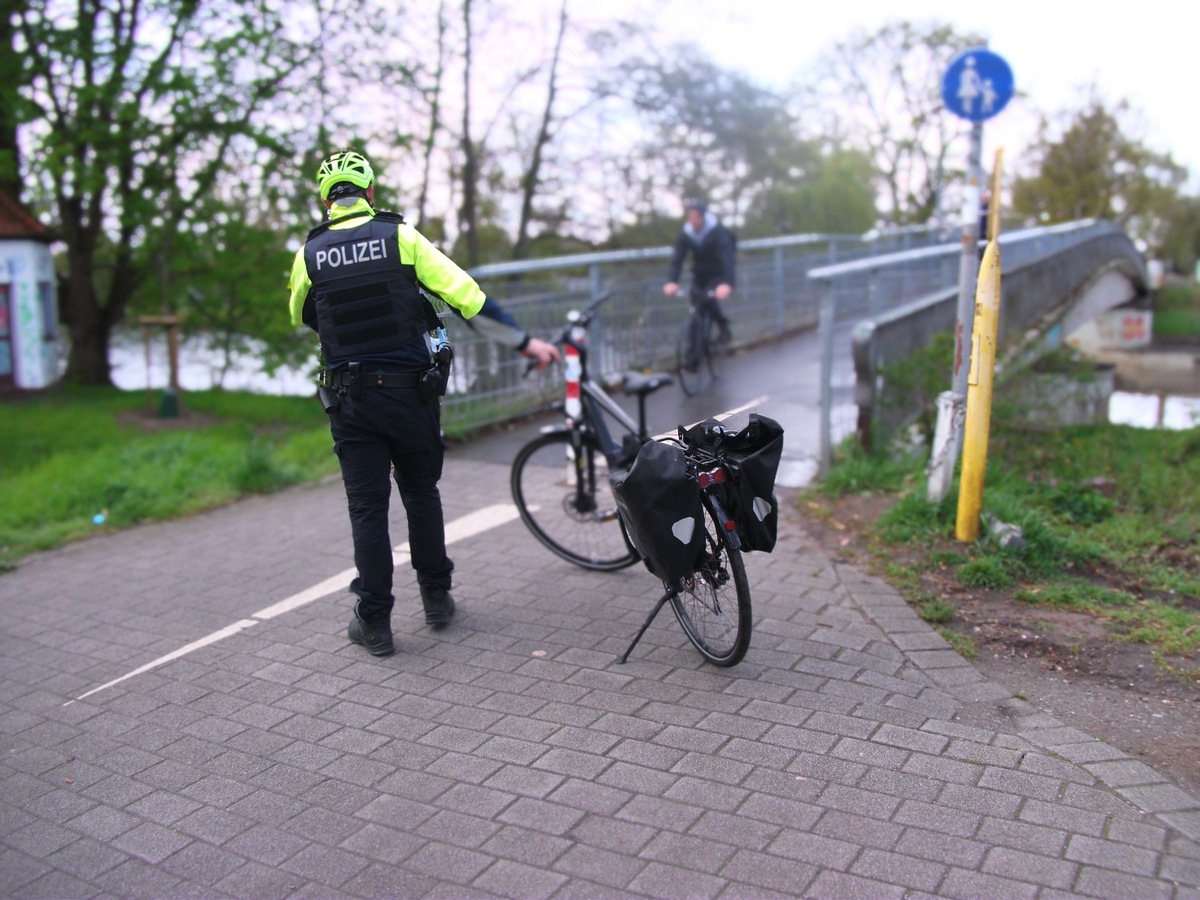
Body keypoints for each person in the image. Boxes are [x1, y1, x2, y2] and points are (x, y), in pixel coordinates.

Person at [287, 149, 560, 658]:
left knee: (367, 508)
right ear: (370, 193)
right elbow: (468, 296)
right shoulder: (402, 238)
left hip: (351, 398)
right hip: (411, 393)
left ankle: (375, 622)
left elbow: (303, 312)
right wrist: (524, 343)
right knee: (420, 494)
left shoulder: (310, 253)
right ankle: (436, 598)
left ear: (326, 201)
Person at [662, 199, 736, 343]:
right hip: (700, 274)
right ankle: (692, 355)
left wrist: (727, 283)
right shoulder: (687, 233)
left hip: (717, 274)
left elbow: (728, 258)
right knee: (696, 304)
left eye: (696, 217)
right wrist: (672, 281)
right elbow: (678, 259)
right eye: (690, 217)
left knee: (709, 299)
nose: (692, 221)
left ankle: (723, 328)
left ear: (702, 217)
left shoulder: (717, 232)